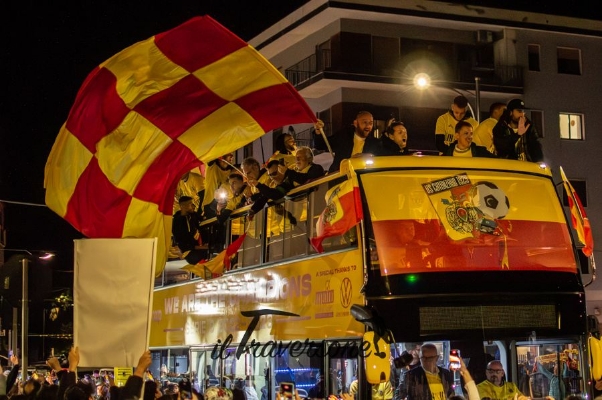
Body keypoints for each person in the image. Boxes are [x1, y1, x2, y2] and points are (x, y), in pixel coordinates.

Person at [313, 111, 379, 173]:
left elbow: (380, 158)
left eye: (370, 123)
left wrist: (369, 156)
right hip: (339, 175)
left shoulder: (375, 143)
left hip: (361, 177)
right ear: (356, 123)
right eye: (364, 122)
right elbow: (320, 145)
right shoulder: (343, 136)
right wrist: (318, 131)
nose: (368, 126)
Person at [172, 195, 208, 264]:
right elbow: (184, 243)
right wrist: (203, 247)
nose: (193, 206)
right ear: (182, 206)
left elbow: (203, 221)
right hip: (188, 252)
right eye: (190, 204)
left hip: (198, 247)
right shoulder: (178, 222)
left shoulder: (192, 215)